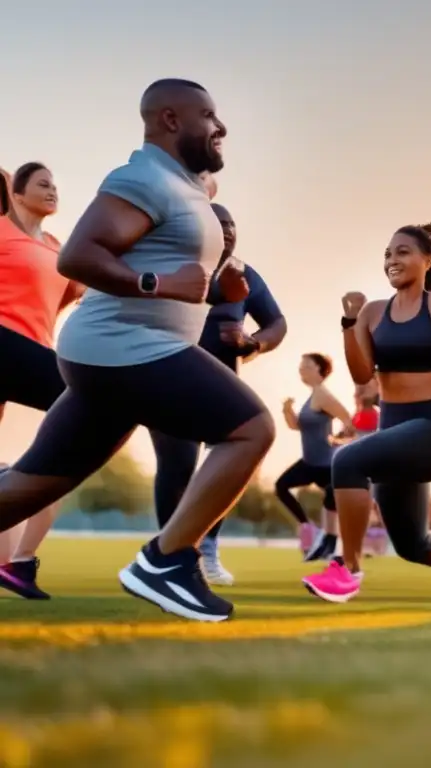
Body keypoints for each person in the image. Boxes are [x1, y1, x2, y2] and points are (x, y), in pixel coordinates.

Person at [0, 79, 275, 623]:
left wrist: (223, 292)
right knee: (251, 428)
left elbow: (179, 270)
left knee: (31, 487)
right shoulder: (143, 177)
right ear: (170, 120)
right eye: (209, 116)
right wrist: (158, 284)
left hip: (116, 354)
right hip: (124, 347)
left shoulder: (184, 186)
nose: (220, 128)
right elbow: (78, 256)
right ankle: (167, 561)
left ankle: (167, 559)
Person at [302, 223, 431, 612]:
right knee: (412, 544)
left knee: (347, 460)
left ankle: (349, 570)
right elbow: (362, 375)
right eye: (388, 254)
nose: (393, 260)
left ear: (428, 260)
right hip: (395, 428)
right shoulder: (373, 313)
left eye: (403, 252)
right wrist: (349, 322)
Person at [148, 201, 287, 586]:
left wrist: (252, 343)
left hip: (222, 387)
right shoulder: (176, 265)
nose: (226, 230)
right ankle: (170, 552)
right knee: (176, 467)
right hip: (169, 381)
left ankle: (206, 549)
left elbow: (277, 322)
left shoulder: (244, 275)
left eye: (231, 224)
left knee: (228, 467)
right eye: (217, 223)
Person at [0, 162, 84, 600]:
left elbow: (84, 289)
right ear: (16, 193)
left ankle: (15, 562)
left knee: (69, 446)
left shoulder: (57, 248)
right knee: (91, 401)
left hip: (28, 353)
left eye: (56, 184)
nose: (53, 190)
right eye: (42, 184)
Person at [280, 352, 354, 561]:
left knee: (333, 500)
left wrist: (339, 440)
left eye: (306, 367)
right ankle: (308, 528)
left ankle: (331, 544)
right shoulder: (312, 397)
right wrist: (287, 410)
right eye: (300, 367)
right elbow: (296, 426)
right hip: (309, 462)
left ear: (320, 371)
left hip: (325, 463)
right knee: (282, 486)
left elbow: (348, 419)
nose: (301, 370)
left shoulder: (323, 395)